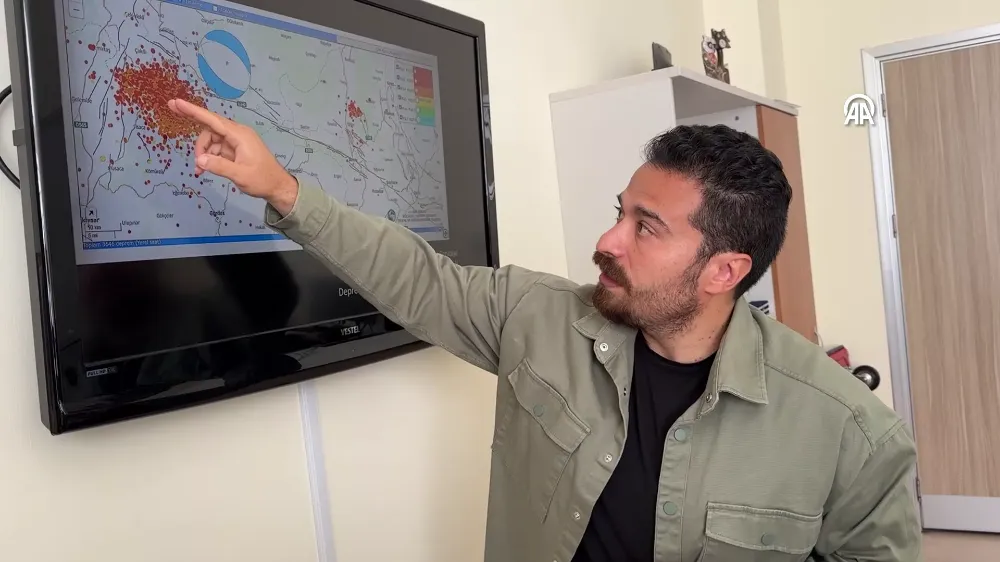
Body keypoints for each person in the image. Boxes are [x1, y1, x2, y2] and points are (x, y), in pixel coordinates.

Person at [167, 98, 923, 561]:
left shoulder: (851, 436)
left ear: (724, 270)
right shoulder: (537, 316)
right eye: (620, 211)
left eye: (646, 227)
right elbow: (415, 278)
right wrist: (284, 190)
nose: (608, 241)